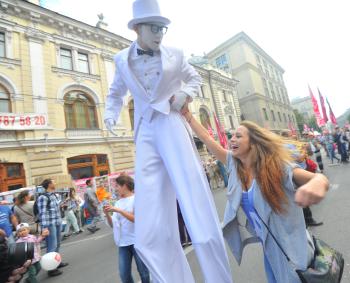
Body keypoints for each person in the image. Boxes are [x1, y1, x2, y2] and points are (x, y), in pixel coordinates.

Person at [103, 0, 232, 282]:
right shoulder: (121, 59)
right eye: (154, 28)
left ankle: (217, 276)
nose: (160, 34)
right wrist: (110, 115)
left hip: (171, 124)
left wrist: (185, 95)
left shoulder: (175, 53)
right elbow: (115, 93)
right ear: (137, 28)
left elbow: (195, 78)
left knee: (192, 192)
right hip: (145, 130)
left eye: (162, 28)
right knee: (151, 210)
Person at [182, 106, 329, 282]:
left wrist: (316, 185)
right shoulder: (235, 166)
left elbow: (318, 179)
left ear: (253, 142)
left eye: (238, 136)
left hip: (293, 248)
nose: (231, 139)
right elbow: (207, 139)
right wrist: (188, 115)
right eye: (231, 136)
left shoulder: (276, 167)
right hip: (269, 247)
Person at [103, 174, 150, 283]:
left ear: (124, 185)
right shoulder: (118, 202)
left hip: (137, 242)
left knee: (143, 272)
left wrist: (118, 210)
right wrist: (107, 214)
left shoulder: (136, 199)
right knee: (124, 275)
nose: (116, 189)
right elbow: (112, 225)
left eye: (117, 186)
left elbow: (136, 219)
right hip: (123, 244)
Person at [37, 179, 68, 277]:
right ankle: (51, 268)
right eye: (53, 182)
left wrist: (62, 205)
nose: (55, 183)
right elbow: (42, 213)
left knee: (57, 244)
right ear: (49, 184)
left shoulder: (53, 195)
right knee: (52, 246)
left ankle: (56, 262)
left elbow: (54, 209)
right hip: (50, 224)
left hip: (57, 222)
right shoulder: (43, 197)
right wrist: (45, 228)